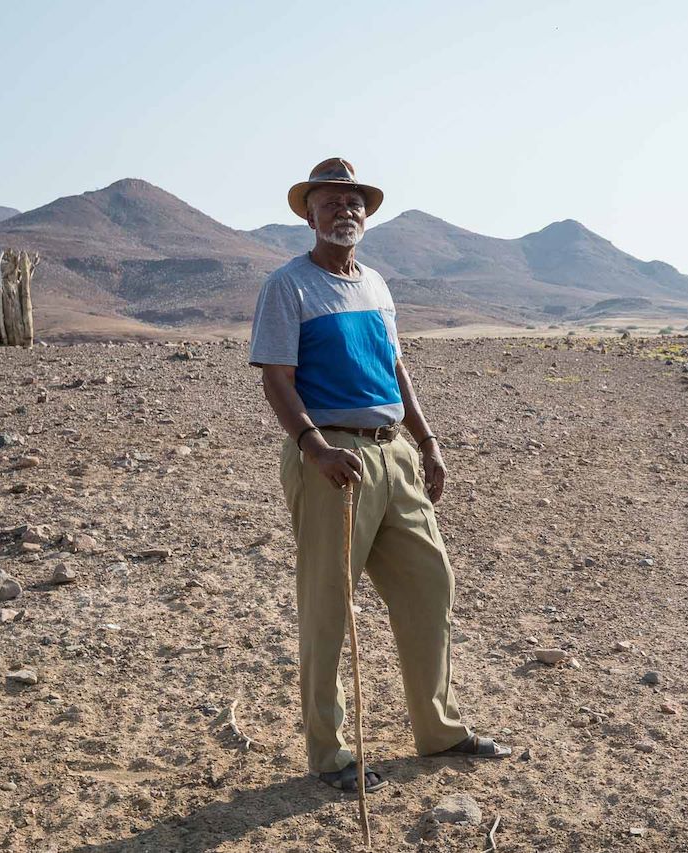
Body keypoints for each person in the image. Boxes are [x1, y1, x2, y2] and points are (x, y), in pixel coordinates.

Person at [249, 158, 510, 794]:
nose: (344, 211)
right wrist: (313, 447)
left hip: (393, 453)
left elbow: (396, 369)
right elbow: (275, 379)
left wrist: (428, 441)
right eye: (331, 202)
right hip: (331, 457)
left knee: (430, 584)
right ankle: (330, 753)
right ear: (309, 214)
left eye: (354, 202)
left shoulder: (377, 285)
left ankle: (438, 730)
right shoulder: (289, 286)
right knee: (328, 604)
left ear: (366, 216)